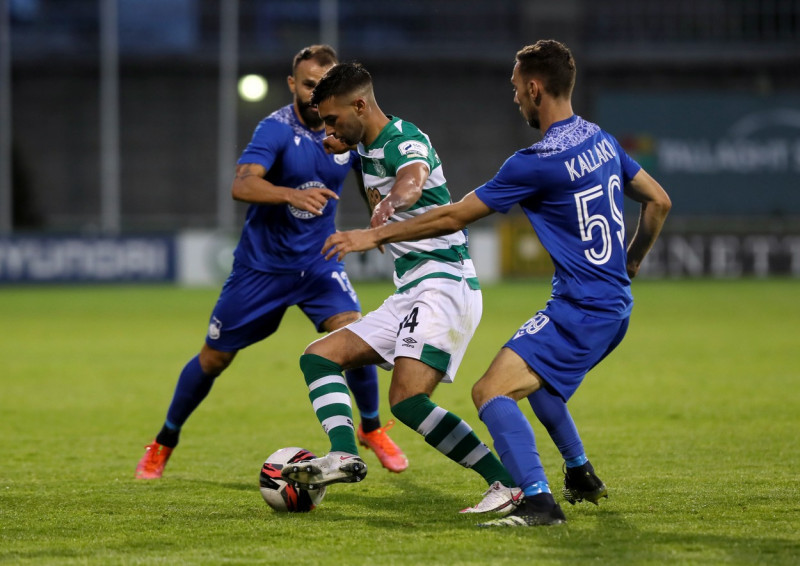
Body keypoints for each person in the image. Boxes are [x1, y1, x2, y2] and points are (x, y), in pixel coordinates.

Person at [321, 39, 671, 527]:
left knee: (491, 392)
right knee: (541, 386)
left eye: (515, 89)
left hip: (580, 308)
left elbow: (452, 217)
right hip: (614, 306)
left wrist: (373, 234)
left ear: (533, 88)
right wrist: (631, 263)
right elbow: (658, 202)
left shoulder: (533, 161)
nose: (514, 99)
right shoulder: (601, 139)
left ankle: (538, 503)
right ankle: (580, 472)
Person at [135, 45, 407, 480]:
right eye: (308, 85)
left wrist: (375, 223)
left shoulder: (345, 129)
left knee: (354, 336)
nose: (316, 94)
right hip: (262, 268)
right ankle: (164, 440)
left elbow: (364, 175)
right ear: (292, 85)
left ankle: (371, 429)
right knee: (214, 359)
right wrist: (291, 193)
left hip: (318, 264)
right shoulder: (276, 130)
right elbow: (242, 186)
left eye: (323, 85)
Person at [279, 62, 522, 516]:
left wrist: (394, 200)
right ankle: (345, 454)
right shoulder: (364, 145)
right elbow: (356, 151)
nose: (327, 129)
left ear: (360, 105)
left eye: (332, 120)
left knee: (408, 401)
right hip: (411, 290)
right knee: (318, 356)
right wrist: (337, 144)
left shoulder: (403, 139)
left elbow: (411, 175)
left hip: (444, 285)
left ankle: (508, 485)